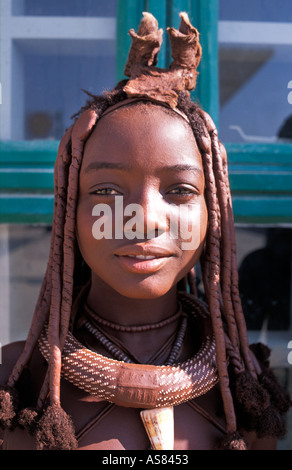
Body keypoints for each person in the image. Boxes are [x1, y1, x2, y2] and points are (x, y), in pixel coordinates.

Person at [0, 12, 290, 451]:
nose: (146, 218)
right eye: (105, 190)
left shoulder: (246, 396)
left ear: (213, 214)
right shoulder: (14, 389)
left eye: (179, 190)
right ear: (69, 213)